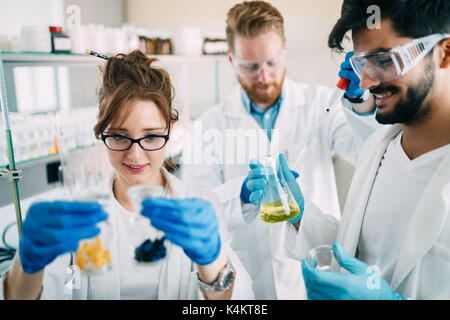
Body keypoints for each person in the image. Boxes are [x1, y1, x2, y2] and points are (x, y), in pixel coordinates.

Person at [0, 50, 254, 300]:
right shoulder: (79, 212)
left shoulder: (201, 207)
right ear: (101, 132)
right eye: (120, 136)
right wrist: (26, 263)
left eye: (152, 136)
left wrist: (213, 261)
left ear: (170, 130)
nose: (135, 155)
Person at [247, 0, 450, 299]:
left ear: (444, 53)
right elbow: (362, 254)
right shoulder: (381, 148)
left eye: (383, 59)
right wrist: (301, 216)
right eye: (361, 62)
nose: (366, 81)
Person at [181, 1, 378, 299]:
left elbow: (372, 155)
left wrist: (361, 103)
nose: (263, 76)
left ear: (284, 52)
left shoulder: (320, 104)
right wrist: (241, 194)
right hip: (247, 283)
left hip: (316, 273)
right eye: (250, 66)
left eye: (272, 62)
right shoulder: (210, 124)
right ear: (231, 59)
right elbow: (196, 206)